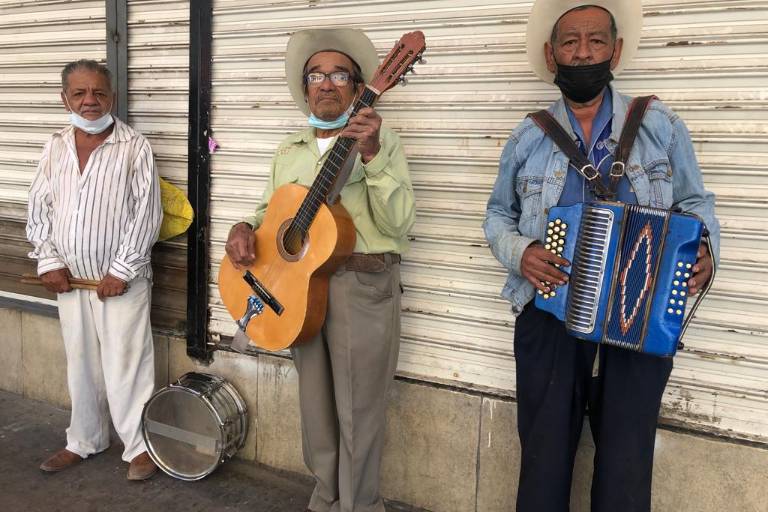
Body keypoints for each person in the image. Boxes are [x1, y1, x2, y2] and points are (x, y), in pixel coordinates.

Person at [484, 2, 720, 511]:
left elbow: (696, 201)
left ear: (616, 50)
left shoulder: (659, 123)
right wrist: (521, 252)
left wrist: (705, 248)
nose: (583, 52)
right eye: (570, 42)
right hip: (548, 314)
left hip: (641, 314)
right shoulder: (528, 135)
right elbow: (496, 215)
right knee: (543, 463)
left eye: (595, 41)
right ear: (551, 56)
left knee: (626, 467)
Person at [224, 28, 415, 512]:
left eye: (338, 75)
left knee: (359, 411)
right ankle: (325, 498)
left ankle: (361, 505)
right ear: (305, 87)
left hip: (360, 284)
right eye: (316, 75)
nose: (326, 84)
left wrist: (370, 155)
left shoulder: (380, 140)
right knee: (316, 410)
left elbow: (399, 223)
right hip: (299, 288)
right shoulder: (290, 148)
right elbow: (271, 211)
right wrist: (242, 227)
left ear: (357, 87)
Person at [27, 59, 162, 481]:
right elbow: (39, 208)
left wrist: (121, 270)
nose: (90, 101)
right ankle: (83, 439)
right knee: (81, 363)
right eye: (80, 93)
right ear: (64, 97)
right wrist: (49, 261)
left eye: (99, 93)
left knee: (127, 363)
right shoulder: (55, 146)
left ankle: (139, 448)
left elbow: (147, 214)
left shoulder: (134, 146)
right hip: (71, 282)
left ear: (112, 97)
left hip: (120, 282)